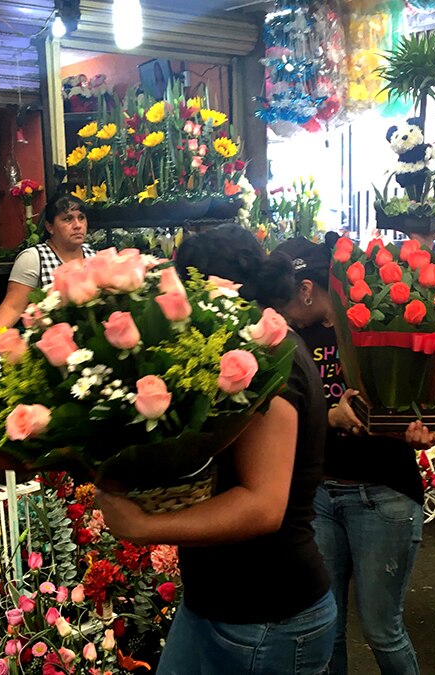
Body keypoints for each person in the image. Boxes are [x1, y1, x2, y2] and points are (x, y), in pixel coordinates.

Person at [97, 225, 336, 674]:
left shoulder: (272, 365)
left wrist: (148, 525)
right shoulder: (235, 355)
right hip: (215, 602)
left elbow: (263, 506)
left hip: (269, 615)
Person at [273, 237, 433, 675]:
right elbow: (277, 417)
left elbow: (416, 402)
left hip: (384, 494)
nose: (279, 312)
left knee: (383, 630)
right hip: (319, 497)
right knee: (328, 628)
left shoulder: (374, 327)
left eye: (284, 298)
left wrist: (423, 426)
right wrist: (330, 417)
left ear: (307, 289)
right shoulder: (284, 339)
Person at [0, 192, 95, 328]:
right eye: (67, 219)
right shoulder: (33, 258)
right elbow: (13, 307)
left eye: (81, 218)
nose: (77, 225)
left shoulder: (95, 257)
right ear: (49, 227)